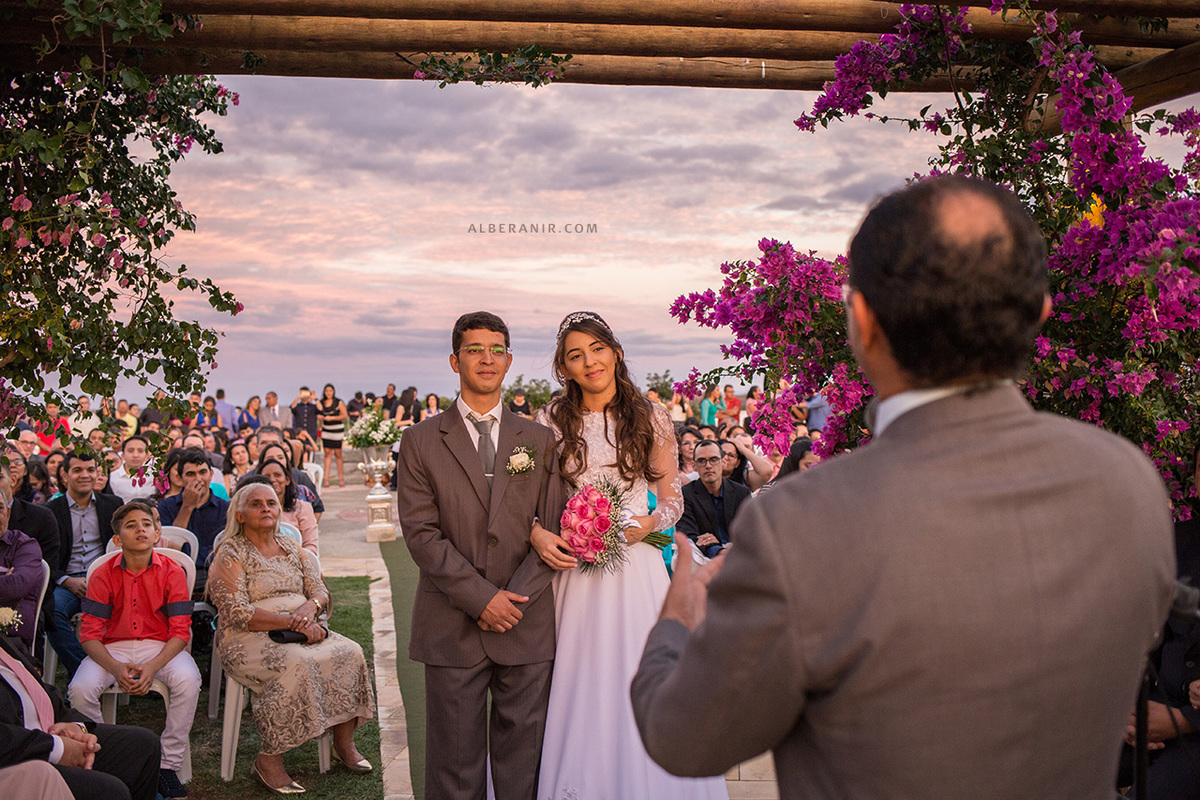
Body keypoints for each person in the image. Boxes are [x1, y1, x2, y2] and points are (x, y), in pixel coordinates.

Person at [630, 175, 1177, 799]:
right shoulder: (1128, 479)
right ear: (1041, 313)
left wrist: (674, 624)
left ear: (862, 320)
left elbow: (686, 737)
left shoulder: (803, 522)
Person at [529, 311, 727, 800]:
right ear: (565, 368)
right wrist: (541, 530)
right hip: (576, 570)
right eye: (576, 355)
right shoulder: (552, 419)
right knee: (582, 676)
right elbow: (529, 497)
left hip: (636, 566)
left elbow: (672, 496)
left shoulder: (650, 416)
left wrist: (647, 524)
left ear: (615, 352)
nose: (589, 361)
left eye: (597, 349)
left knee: (640, 667)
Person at [395, 311, 563, 800]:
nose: (486, 359)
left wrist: (514, 599)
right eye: (474, 349)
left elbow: (551, 529)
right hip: (452, 625)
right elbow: (422, 535)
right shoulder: (421, 440)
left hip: (525, 622)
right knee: (454, 770)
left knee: (522, 769)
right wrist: (481, 599)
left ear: (508, 361)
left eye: (496, 350)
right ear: (455, 360)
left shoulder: (539, 439)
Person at [207, 483, 374, 793]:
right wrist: (293, 622)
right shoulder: (230, 553)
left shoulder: (291, 546)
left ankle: (343, 743)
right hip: (248, 636)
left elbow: (320, 590)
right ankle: (268, 759)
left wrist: (311, 608)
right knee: (295, 663)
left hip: (300, 627)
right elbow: (236, 611)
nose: (266, 508)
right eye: (256, 504)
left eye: (271, 503)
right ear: (240, 515)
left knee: (350, 652)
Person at [69, 501, 200, 800]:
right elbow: (89, 635)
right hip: (111, 647)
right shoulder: (102, 573)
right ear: (117, 540)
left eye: (146, 523)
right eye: (130, 525)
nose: (140, 528)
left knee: (189, 680)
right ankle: (106, 757)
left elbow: (180, 631)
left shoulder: (172, 571)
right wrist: (115, 668)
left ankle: (168, 765)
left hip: (161, 646)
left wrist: (153, 666)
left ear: (156, 533)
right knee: (80, 688)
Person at [0, 629, 160, 800]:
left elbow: (39, 688)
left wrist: (77, 727)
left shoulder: (5, 643)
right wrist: (57, 747)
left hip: (48, 731)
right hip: (18, 755)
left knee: (143, 745)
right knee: (110, 792)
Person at [46, 452, 124, 680]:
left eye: (90, 470)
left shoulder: (113, 505)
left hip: (105, 580)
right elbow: (46, 556)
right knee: (51, 610)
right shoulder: (51, 510)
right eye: (78, 470)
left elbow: (122, 547)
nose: (85, 475)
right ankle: (86, 671)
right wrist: (65, 581)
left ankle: (87, 677)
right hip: (66, 581)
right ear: (65, 475)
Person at [157, 448, 229, 594]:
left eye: (203, 472)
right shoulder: (166, 506)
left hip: (214, 574)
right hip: (176, 572)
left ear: (211, 474)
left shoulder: (225, 508)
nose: (198, 479)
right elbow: (170, 549)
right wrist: (187, 506)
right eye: (191, 474)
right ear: (180, 478)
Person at [677, 440, 751, 559]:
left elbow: (749, 531)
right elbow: (688, 534)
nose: (708, 465)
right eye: (702, 461)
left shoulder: (741, 492)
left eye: (714, 460)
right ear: (694, 465)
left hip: (739, 557)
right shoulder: (686, 494)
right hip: (703, 558)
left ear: (723, 462)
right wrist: (718, 550)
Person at [0, 483, 44, 650]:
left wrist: (10, 584)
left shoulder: (24, 546)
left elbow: (16, 587)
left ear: (8, 513)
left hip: (11, 641)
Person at [257, 459, 319, 558]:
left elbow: (311, 546)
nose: (272, 480)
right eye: (266, 477)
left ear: (287, 480)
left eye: (277, 475)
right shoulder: (254, 511)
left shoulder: (302, 507)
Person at [106, 436, 156, 503]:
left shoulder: (154, 476)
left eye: (140, 451)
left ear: (147, 455)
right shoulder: (112, 478)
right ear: (122, 455)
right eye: (130, 451)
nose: (135, 455)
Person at [316, 384, 348, 489]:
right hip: (326, 430)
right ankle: (326, 479)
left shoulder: (339, 402)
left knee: (338, 454)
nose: (328, 393)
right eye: (326, 391)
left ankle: (341, 478)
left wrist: (332, 418)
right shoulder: (321, 403)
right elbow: (318, 412)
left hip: (337, 430)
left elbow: (345, 415)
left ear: (333, 391)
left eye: (330, 391)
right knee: (327, 454)